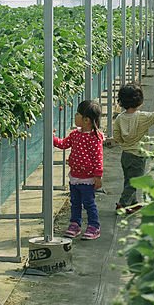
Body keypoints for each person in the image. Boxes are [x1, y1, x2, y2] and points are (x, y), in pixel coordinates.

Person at [53, 100, 104, 240]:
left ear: (86, 120)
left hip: (88, 179)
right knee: (75, 202)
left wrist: (98, 177)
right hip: (75, 177)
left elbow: (98, 158)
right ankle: (75, 224)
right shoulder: (75, 134)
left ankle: (94, 226)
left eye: (77, 114)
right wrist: (53, 139)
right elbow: (63, 144)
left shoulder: (95, 138)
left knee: (88, 203)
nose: (75, 116)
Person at [112, 83, 154, 215]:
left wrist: (125, 142)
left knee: (128, 179)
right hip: (139, 155)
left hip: (126, 155)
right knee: (135, 182)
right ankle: (122, 204)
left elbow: (117, 137)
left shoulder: (119, 118)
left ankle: (133, 203)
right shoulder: (143, 117)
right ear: (139, 101)